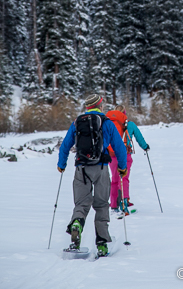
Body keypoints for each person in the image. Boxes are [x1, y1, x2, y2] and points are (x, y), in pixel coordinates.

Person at [57, 94, 127, 257]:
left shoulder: (77, 123)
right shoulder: (107, 123)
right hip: (101, 168)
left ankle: (77, 225)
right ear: (100, 106)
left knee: (81, 203)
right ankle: (102, 244)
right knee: (102, 204)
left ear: (87, 107)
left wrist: (62, 164)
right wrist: (122, 168)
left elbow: (65, 145)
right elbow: (119, 147)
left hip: (81, 168)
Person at [106, 104, 149, 215]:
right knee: (124, 178)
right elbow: (139, 138)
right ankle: (124, 202)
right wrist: (145, 147)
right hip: (125, 154)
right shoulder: (130, 124)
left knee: (115, 179)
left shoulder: (109, 124)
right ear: (124, 113)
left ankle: (114, 204)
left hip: (111, 155)